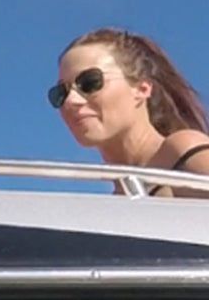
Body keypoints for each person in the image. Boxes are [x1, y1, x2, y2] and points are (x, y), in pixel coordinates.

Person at [49, 27, 209, 197]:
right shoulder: (113, 205)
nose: (70, 100)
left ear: (142, 89)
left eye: (90, 82)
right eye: (61, 93)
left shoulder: (181, 152)